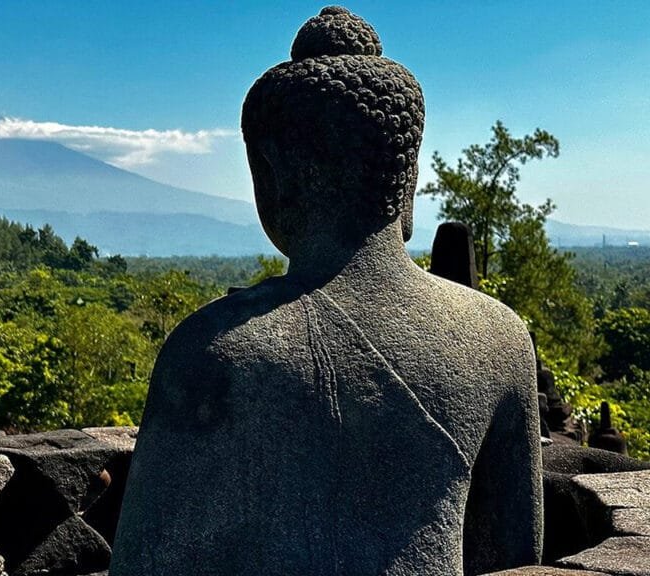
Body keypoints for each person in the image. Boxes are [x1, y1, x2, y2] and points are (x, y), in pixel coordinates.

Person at [111, 7, 542, 576]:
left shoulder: (212, 350)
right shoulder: (498, 338)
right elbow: (516, 557)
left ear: (272, 178)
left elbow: (147, 562)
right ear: (407, 178)